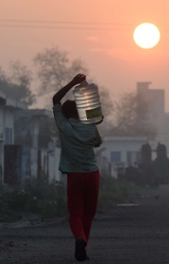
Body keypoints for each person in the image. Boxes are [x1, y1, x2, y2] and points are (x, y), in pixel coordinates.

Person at [52, 73, 103, 262]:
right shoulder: (90, 126)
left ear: (64, 114)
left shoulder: (63, 126)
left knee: (75, 213)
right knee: (88, 214)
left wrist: (73, 82)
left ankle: (79, 238)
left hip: (74, 175)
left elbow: (56, 99)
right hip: (92, 174)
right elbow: (98, 143)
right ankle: (83, 245)